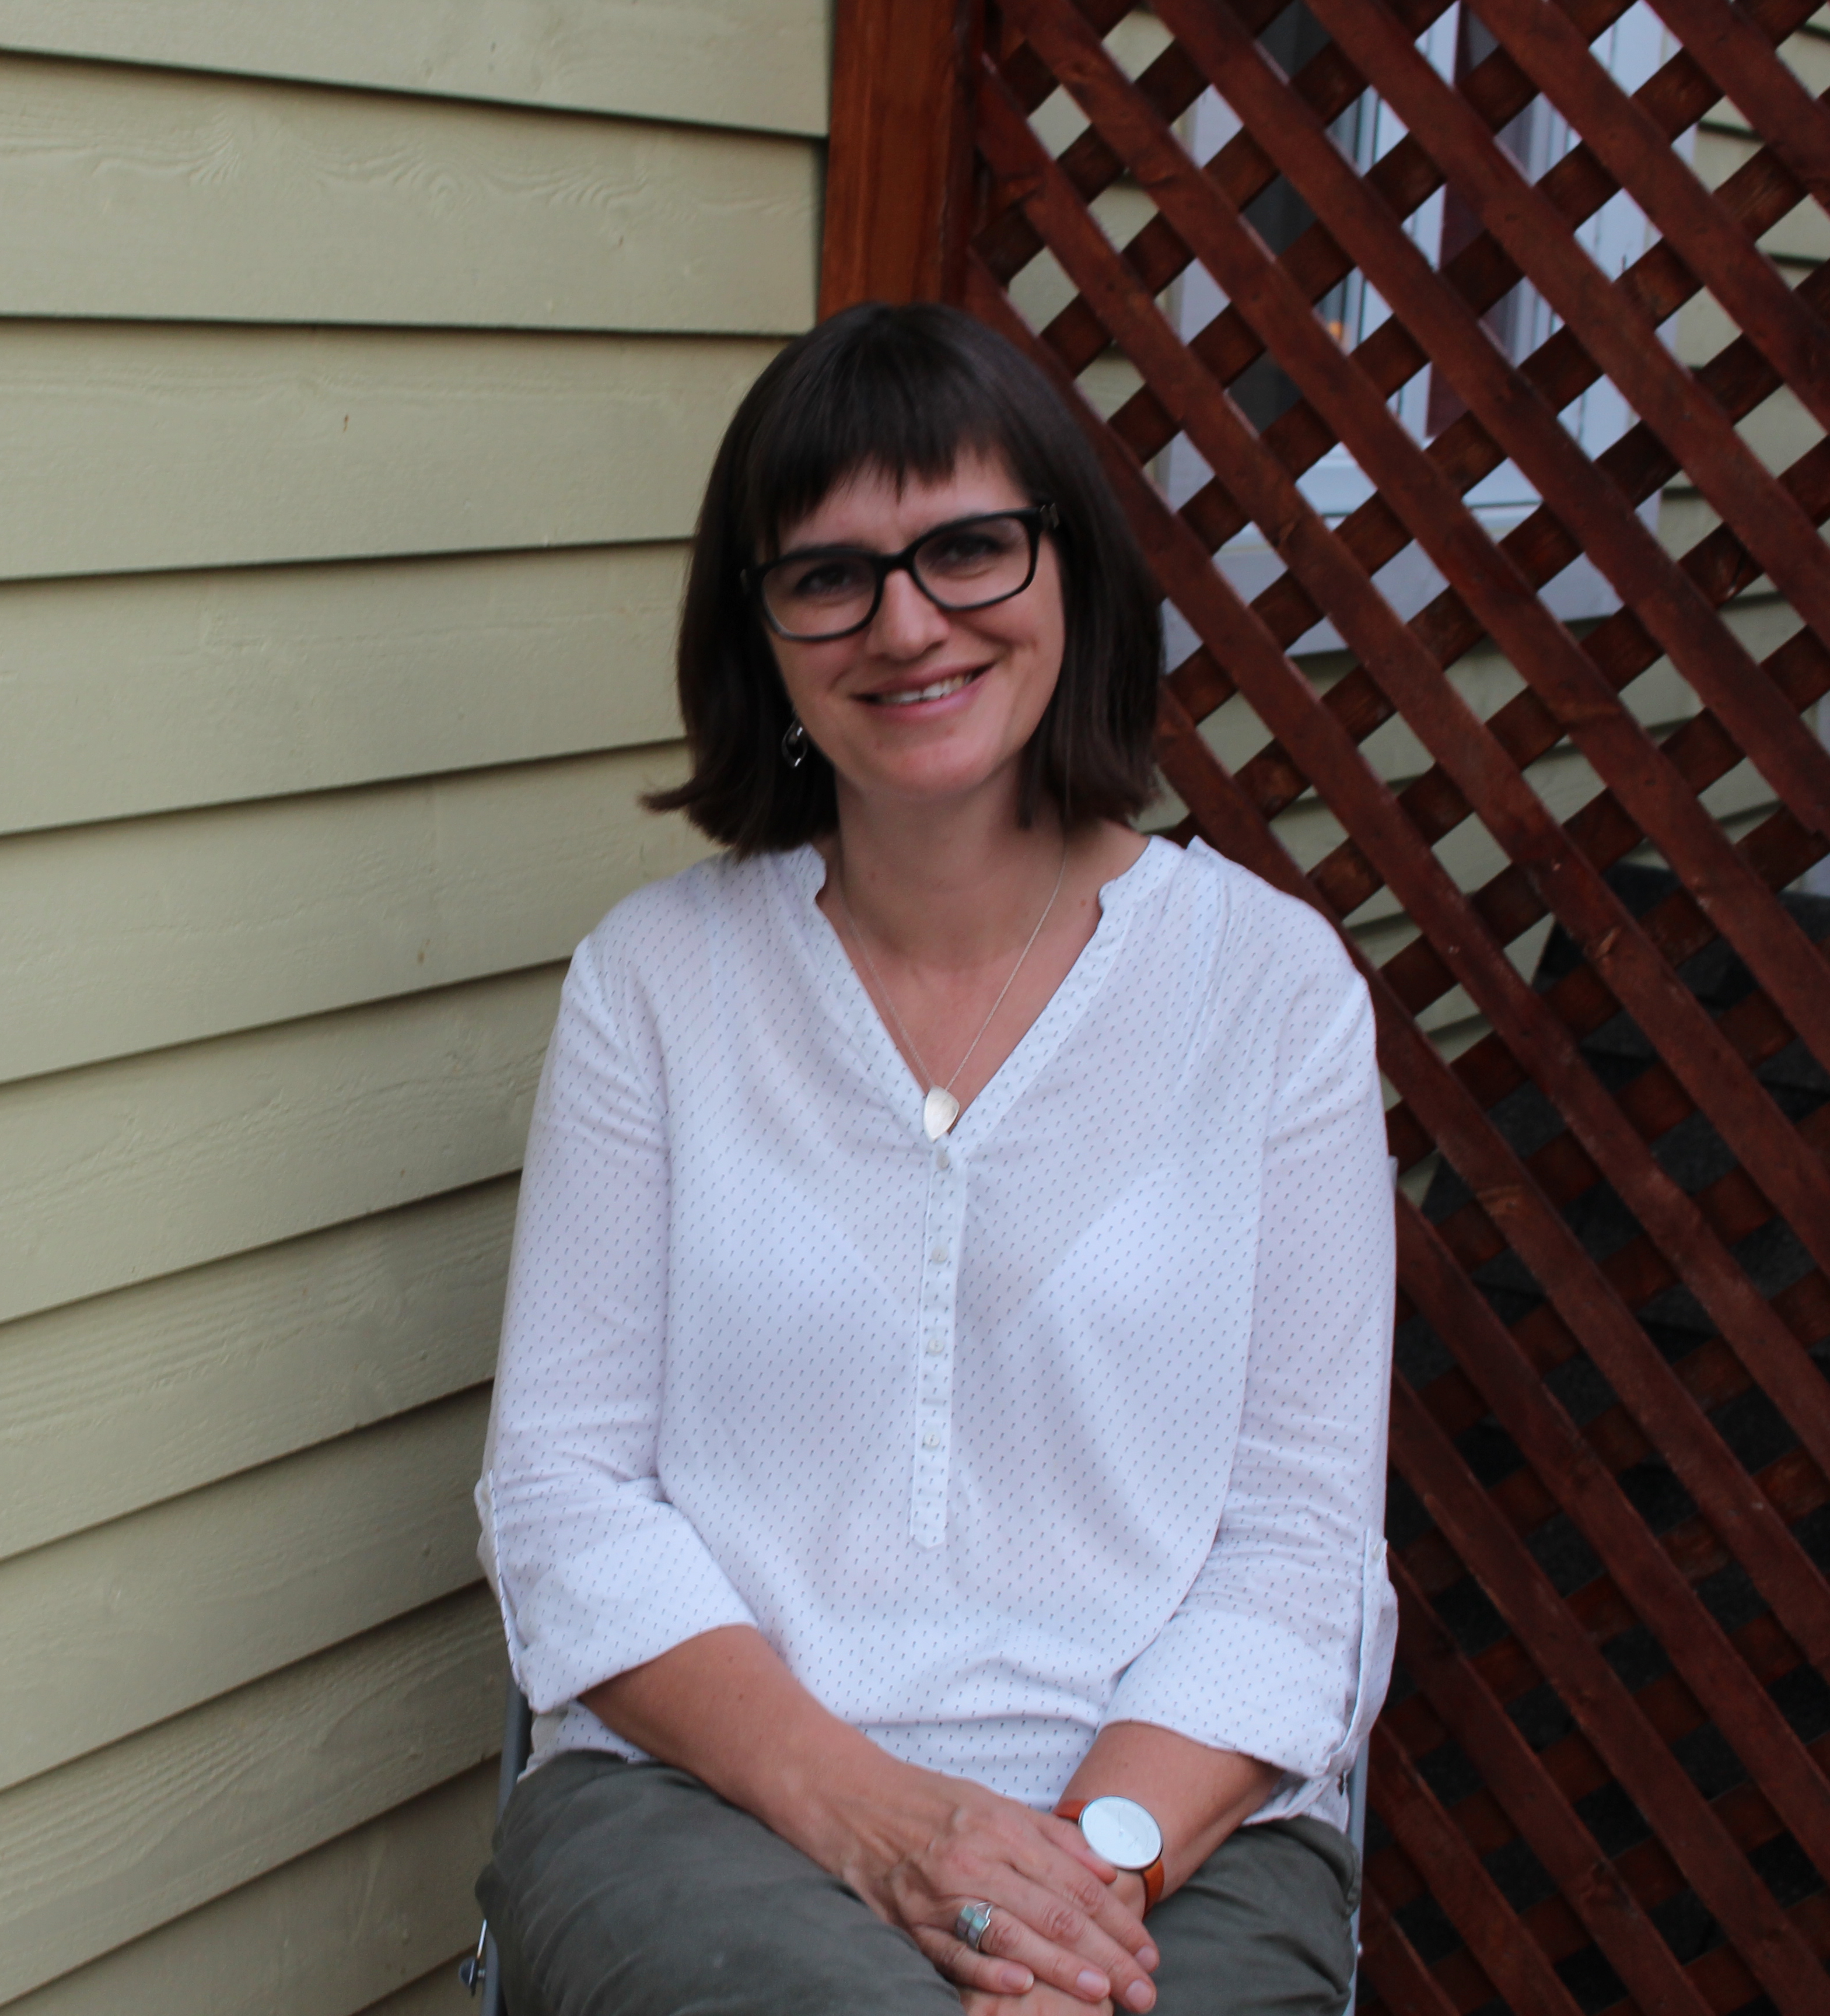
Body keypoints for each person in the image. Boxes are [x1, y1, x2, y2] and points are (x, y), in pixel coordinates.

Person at [472, 302, 1397, 2016]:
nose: (906, 624)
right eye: (829, 576)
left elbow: (1298, 1547)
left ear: (1073, 572)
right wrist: (881, 1822)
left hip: (1163, 1828)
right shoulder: (657, 987)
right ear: (759, 633)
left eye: (968, 548)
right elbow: (568, 1500)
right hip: (714, 1797)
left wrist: (1073, 1889)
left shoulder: (1269, 995)